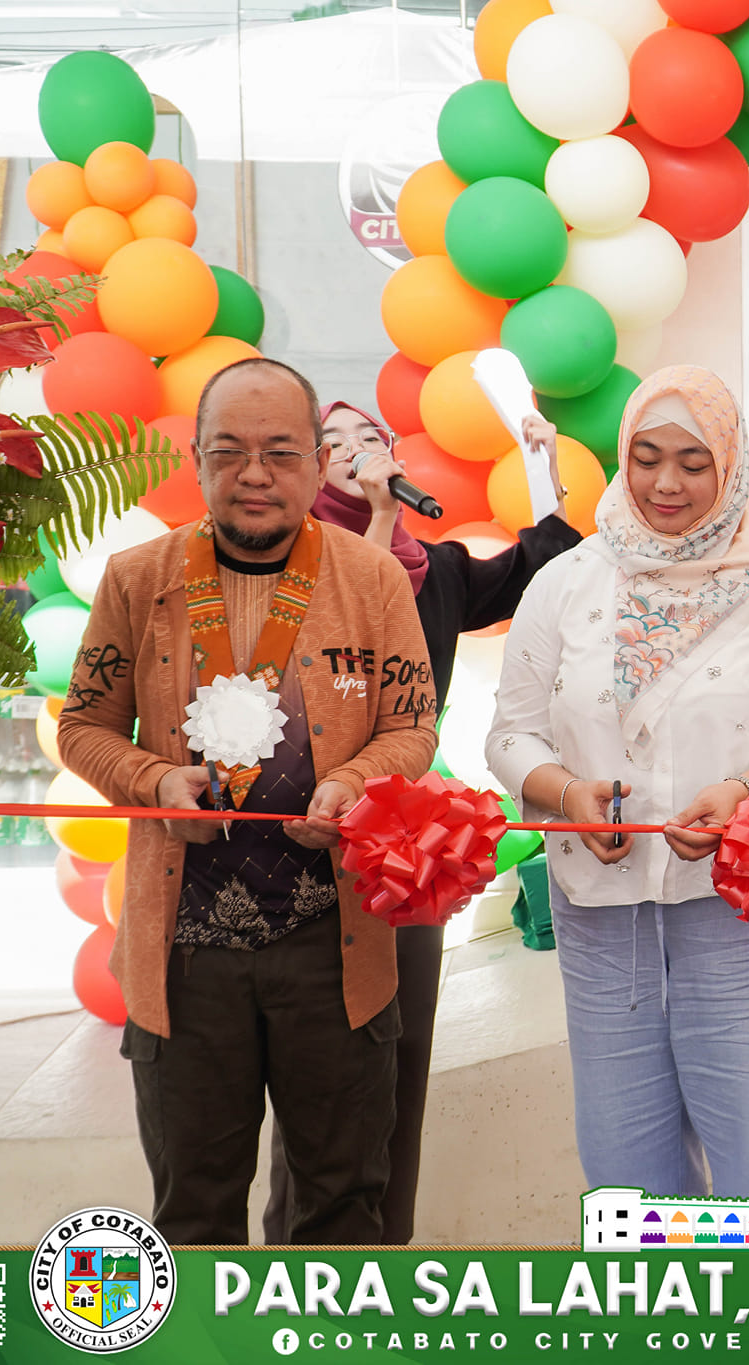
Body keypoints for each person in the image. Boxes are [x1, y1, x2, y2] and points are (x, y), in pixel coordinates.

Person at [57, 357, 438, 1244]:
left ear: (315, 461)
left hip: (333, 945)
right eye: (229, 453)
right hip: (184, 956)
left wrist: (353, 785)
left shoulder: (370, 579)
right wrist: (155, 781)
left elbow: (412, 726)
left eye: (279, 452)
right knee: (193, 1213)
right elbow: (84, 727)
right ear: (195, 459)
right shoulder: (136, 579)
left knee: (342, 1207)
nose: (255, 474)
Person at [484, 365, 749, 1199]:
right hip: (600, 919)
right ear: (622, 458)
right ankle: (654, 1329)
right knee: (628, 1177)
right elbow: (510, 733)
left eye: (693, 461)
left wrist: (747, 786)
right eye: (647, 456)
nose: (666, 482)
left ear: (730, 462)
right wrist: (560, 789)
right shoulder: (567, 581)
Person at [259, 400, 582, 1245]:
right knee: (317, 1064)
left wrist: (538, 460)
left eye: (373, 439)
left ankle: (382, 1247)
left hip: (402, 837)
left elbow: (541, 570)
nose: (358, 452)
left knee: (397, 1046)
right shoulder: (281, 560)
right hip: (302, 834)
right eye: (334, 443)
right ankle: (297, 1249)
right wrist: (377, 514)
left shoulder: (433, 567)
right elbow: (347, 635)